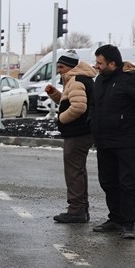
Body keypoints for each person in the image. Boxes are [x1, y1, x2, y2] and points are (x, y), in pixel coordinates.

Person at [89, 44, 135, 240]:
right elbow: (93, 106)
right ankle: (115, 218)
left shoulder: (130, 79)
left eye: (100, 63)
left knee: (127, 183)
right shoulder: (100, 80)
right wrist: (92, 123)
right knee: (107, 181)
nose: (96, 66)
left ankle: (129, 223)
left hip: (126, 141)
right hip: (104, 140)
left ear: (112, 63)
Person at [43, 51, 96, 223]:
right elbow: (69, 102)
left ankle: (76, 210)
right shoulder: (78, 79)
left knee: (74, 172)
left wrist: (61, 119)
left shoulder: (76, 80)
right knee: (78, 170)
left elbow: (79, 107)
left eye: (61, 67)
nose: (59, 70)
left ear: (71, 67)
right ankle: (81, 208)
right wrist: (54, 94)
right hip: (82, 132)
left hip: (77, 133)